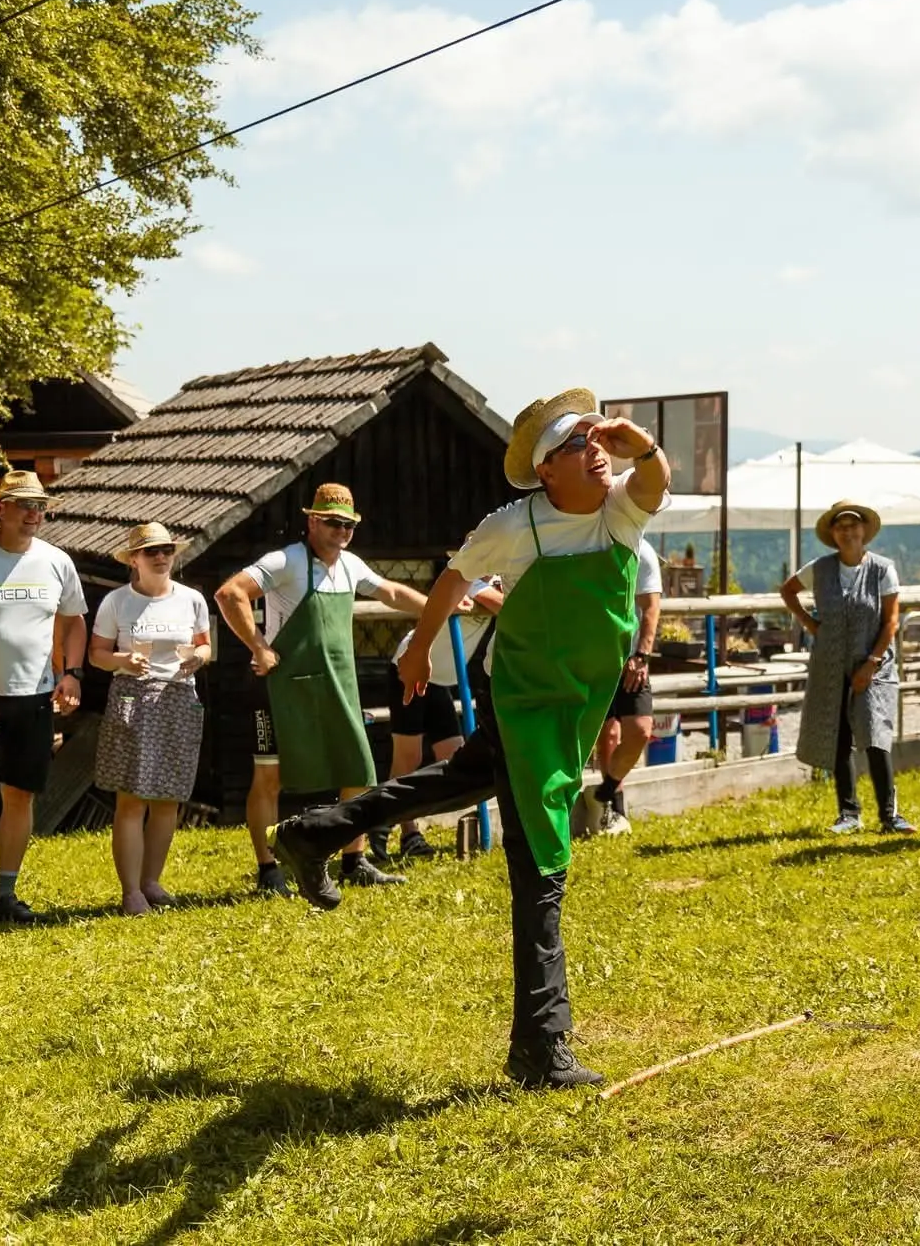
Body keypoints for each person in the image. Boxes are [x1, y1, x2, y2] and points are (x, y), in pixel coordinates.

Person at [272, 391, 669, 1088]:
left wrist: (642, 441)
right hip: (523, 702)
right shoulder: (515, 524)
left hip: (571, 707)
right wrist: (418, 649)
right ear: (547, 469)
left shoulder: (617, 512)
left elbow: (655, 481)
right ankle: (541, 1046)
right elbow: (454, 576)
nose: (598, 449)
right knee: (542, 864)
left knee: (462, 778)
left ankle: (317, 832)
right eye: (581, 442)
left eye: (598, 437)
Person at [214, 483, 428, 894]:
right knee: (269, 779)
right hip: (280, 689)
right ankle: (268, 871)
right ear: (312, 521)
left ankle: (354, 860)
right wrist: (258, 645)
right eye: (333, 522)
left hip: (336, 686)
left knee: (359, 771)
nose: (342, 530)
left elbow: (392, 591)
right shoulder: (287, 561)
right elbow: (230, 593)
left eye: (348, 524)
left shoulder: (350, 565)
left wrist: (440, 604)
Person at [0, 470, 86, 945]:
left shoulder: (57, 562)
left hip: (34, 699)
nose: (34, 514)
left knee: (21, 796)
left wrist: (71, 674)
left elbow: (75, 622)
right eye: (23, 504)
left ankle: (6, 897)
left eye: (40, 506)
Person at [89, 523, 212, 914]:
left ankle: (151, 881)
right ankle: (131, 892)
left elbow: (205, 645)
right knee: (131, 800)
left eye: (166, 550)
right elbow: (96, 654)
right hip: (133, 697)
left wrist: (200, 658)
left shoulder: (192, 599)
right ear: (135, 560)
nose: (160, 557)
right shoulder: (117, 602)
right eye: (151, 552)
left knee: (168, 799)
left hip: (178, 696)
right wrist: (122, 660)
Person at [781, 500, 913, 835]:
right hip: (830, 663)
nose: (848, 531)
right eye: (841, 526)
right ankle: (849, 813)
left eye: (853, 525)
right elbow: (788, 590)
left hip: (875, 664)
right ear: (833, 534)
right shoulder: (820, 568)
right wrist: (811, 625)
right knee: (836, 735)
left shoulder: (882, 569)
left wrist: (871, 663)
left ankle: (890, 814)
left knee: (875, 734)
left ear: (865, 530)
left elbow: (891, 622)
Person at [372, 572, 503, 863]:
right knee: (408, 758)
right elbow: (504, 605)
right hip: (411, 669)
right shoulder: (472, 582)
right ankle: (394, 827)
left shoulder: (497, 581)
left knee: (454, 755)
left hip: (440, 680)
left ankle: (400, 822)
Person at [590, 538, 663, 835]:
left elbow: (650, 607)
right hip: (593, 658)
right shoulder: (586, 542)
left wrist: (641, 655)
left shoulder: (641, 550)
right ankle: (613, 811)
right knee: (607, 735)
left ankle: (604, 792)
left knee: (641, 731)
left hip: (631, 659)